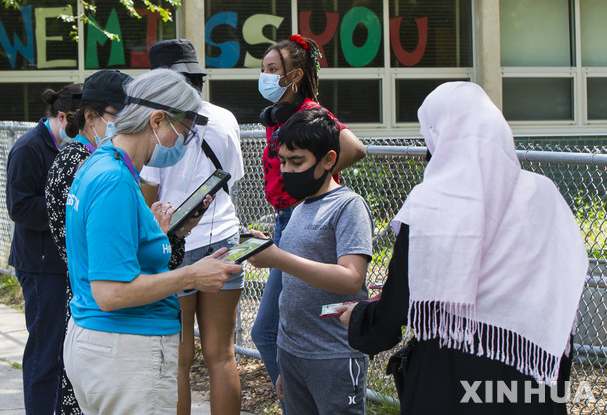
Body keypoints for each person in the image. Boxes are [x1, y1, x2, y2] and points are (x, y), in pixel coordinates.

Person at [339, 82, 589, 414]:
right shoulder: (545, 195)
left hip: (449, 381)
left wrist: (359, 319)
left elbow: (396, 309)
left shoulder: (432, 203)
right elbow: (565, 288)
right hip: (530, 378)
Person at [62, 68, 242, 415]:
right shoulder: (114, 180)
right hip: (125, 355)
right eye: (185, 133)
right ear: (157, 120)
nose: (184, 145)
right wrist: (192, 276)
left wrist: (168, 234)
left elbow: (116, 253)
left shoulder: (104, 165)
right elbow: (111, 292)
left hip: (108, 349)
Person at [251, 34, 367, 407]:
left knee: (265, 329)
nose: (265, 76)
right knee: (280, 323)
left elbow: (355, 147)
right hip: (290, 217)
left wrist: (314, 187)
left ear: (294, 76)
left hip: (298, 213)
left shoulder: (309, 118)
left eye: (273, 70)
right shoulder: (279, 116)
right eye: (263, 69)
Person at [139, 39, 245, 415]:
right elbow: (233, 177)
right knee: (222, 353)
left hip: (175, 244)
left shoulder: (158, 121)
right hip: (224, 240)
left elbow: (148, 192)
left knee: (179, 356)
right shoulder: (226, 118)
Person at [45, 69, 132, 414]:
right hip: (91, 300)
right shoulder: (81, 164)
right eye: (121, 117)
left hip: (85, 296)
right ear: (91, 116)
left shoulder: (84, 159)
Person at [5, 83, 81, 415]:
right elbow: (19, 208)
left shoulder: (77, 149)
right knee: (46, 352)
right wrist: (69, 210)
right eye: (81, 123)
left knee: (69, 353)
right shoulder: (28, 148)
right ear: (62, 117)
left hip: (68, 263)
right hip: (41, 267)